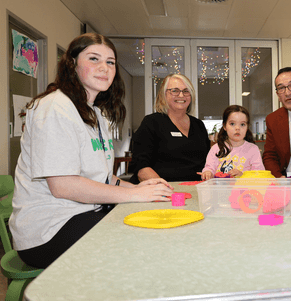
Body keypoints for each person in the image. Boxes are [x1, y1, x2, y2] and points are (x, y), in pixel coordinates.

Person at [9, 33, 174, 269]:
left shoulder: (95, 113)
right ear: (72, 64)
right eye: (94, 59)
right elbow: (63, 185)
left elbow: (103, 178)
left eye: (110, 62)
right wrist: (134, 195)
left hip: (82, 214)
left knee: (151, 222)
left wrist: (138, 188)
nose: (103, 68)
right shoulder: (55, 107)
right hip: (48, 230)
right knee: (143, 243)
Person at [129, 74, 210, 183]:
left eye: (186, 91)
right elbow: (141, 168)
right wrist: (166, 189)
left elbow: (209, 163)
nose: (181, 95)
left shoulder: (199, 125)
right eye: (175, 91)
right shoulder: (152, 122)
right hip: (161, 190)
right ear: (163, 95)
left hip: (195, 189)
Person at [200, 105, 264, 180]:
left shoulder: (253, 149)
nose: (237, 128)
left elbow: (260, 175)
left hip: (245, 191)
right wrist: (208, 173)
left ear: (247, 127)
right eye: (232, 124)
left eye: (242, 124)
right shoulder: (216, 148)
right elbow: (209, 168)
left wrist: (242, 175)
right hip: (220, 191)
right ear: (224, 126)